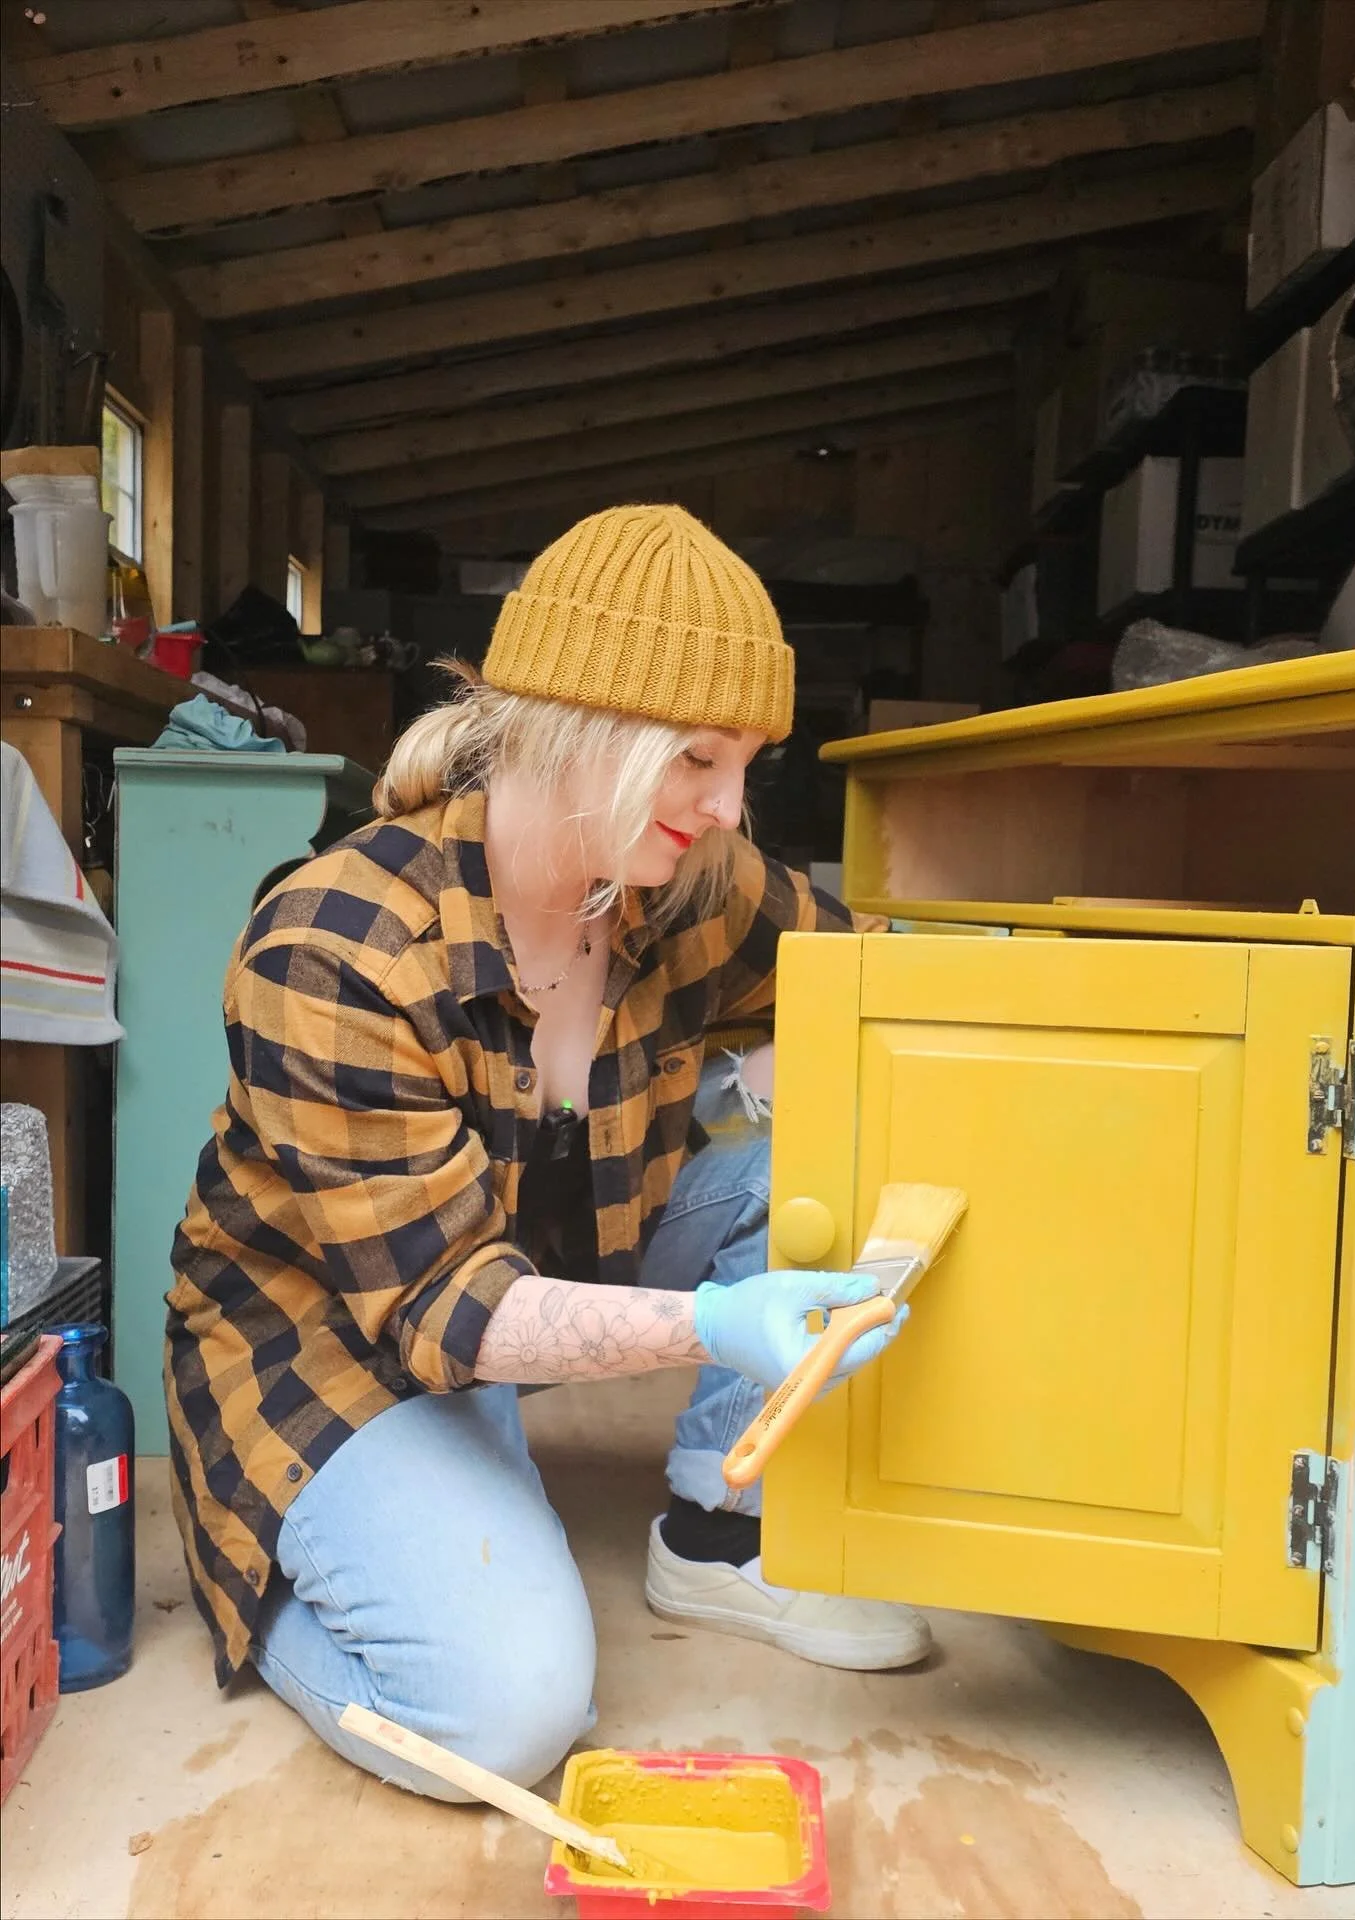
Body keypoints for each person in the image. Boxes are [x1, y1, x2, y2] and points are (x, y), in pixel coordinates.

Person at [164, 504, 931, 1799]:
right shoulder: (339, 944)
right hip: (340, 1341)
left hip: (555, 1264)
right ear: (577, 727)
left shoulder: (684, 877)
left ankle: (715, 1536)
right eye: (696, 758)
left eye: (745, 760)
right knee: (508, 1713)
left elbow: (870, 980)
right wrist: (721, 1325)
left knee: (842, 1146)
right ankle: (267, 1574)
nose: (732, 803)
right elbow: (443, 1310)